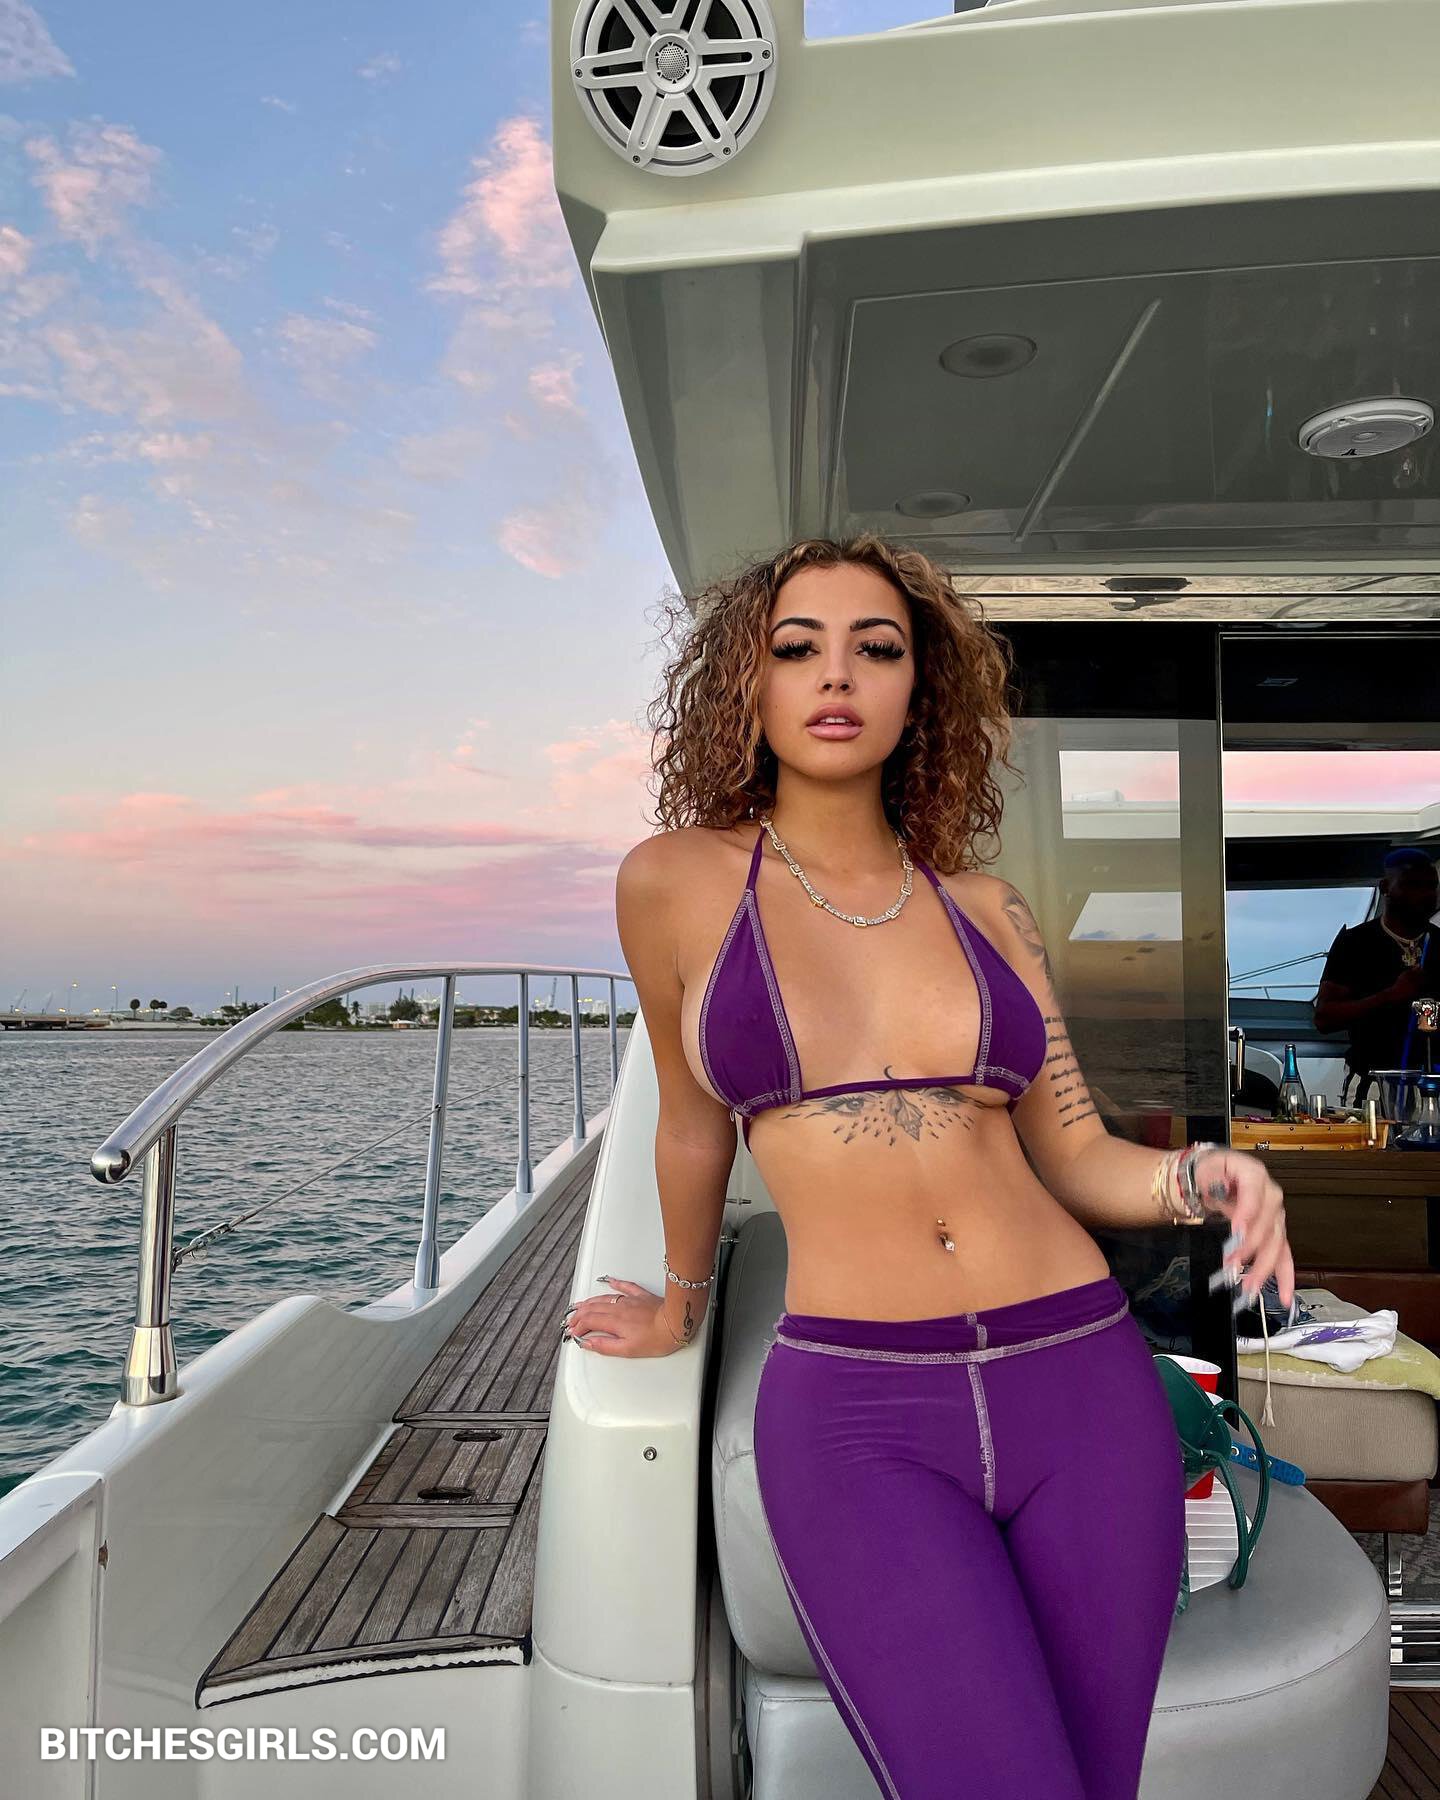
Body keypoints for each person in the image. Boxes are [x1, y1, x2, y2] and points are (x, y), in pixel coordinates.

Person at [567, 535, 1294, 1800]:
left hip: (1084, 1388)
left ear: (920, 692)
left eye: (878, 647)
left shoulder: (987, 909)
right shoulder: (674, 882)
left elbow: (1076, 1153)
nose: (836, 674)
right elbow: (691, 1123)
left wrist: (1205, 1181)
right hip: (858, 1415)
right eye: (797, 647)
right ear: (748, 683)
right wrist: (681, 1304)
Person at [1313, 846, 1440, 1103]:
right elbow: (1325, 1018)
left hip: (1434, 1086)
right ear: (1385, 887)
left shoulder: (1438, 943)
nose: (1424, 895)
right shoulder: (1355, 943)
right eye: (1412, 885)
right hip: (1374, 1086)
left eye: (1431, 886)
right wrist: (1391, 996)